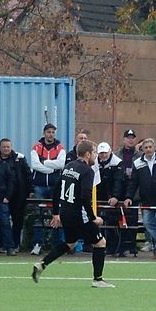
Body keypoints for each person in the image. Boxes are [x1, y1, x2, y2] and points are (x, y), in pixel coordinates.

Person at [31, 140, 114, 288]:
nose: (95, 155)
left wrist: (56, 213)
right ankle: (98, 279)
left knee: (70, 242)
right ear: (87, 154)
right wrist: (93, 217)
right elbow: (85, 197)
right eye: (94, 152)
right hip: (79, 213)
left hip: (65, 212)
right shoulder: (87, 171)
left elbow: (57, 190)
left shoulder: (68, 166)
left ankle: (42, 264)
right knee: (100, 243)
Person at [28, 123, 66, 255]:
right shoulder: (36, 147)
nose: (51, 134)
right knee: (39, 214)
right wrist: (50, 169)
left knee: (56, 215)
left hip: (55, 186)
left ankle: (56, 244)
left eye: (53, 132)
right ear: (44, 133)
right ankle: (37, 244)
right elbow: (35, 165)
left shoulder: (60, 147)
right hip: (39, 186)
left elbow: (61, 164)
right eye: (48, 132)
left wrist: (45, 163)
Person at [0, 138, 31, 250]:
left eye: (8, 146)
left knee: (17, 221)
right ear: (0, 148)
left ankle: (15, 245)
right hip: (1, 196)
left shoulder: (19, 158)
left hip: (18, 196)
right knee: (2, 221)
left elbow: (28, 175)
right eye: (4, 147)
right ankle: (3, 245)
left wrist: (30, 190)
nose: (6, 149)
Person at [95, 142, 125, 256]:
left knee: (112, 223)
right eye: (101, 153)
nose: (103, 155)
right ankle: (99, 245)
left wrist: (115, 196)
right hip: (98, 196)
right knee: (97, 222)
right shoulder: (95, 163)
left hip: (112, 197)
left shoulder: (117, 163)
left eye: (105, 153)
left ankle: (114, 247)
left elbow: (119, 181)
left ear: (110, 151)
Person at [115, 129, 140, 257]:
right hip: (120, 190)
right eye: (128, 138)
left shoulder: (140, 156)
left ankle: (132, 245)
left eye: (132, 138)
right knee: (119, 219)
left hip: (134, 192)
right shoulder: (116, 154)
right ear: (124, 139)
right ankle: (120, 245)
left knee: (132, 220)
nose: (130, 140)